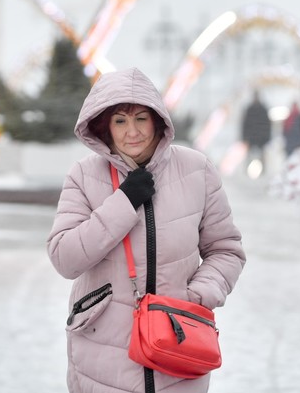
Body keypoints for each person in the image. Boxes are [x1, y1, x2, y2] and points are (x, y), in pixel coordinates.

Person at [47, 67, 246, 393]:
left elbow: (226, 250)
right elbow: (65, 258)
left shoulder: (197, 170)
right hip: (105, 355)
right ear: (104, 127)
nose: (132, 131)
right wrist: (124, 202)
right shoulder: (84, 176)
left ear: (157, 120)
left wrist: (195, 297)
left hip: (180, 345)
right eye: (120, 121)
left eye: (141, 118)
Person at [240, 90, 271, 169]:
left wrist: (266, 138)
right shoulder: (251, 110)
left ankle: (262, 171)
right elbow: (245, 125)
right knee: (250, 158)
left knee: (261, 158)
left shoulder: (262, 110)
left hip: (260, 139)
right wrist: (245, 138)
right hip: (252, 139)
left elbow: (267, 126)